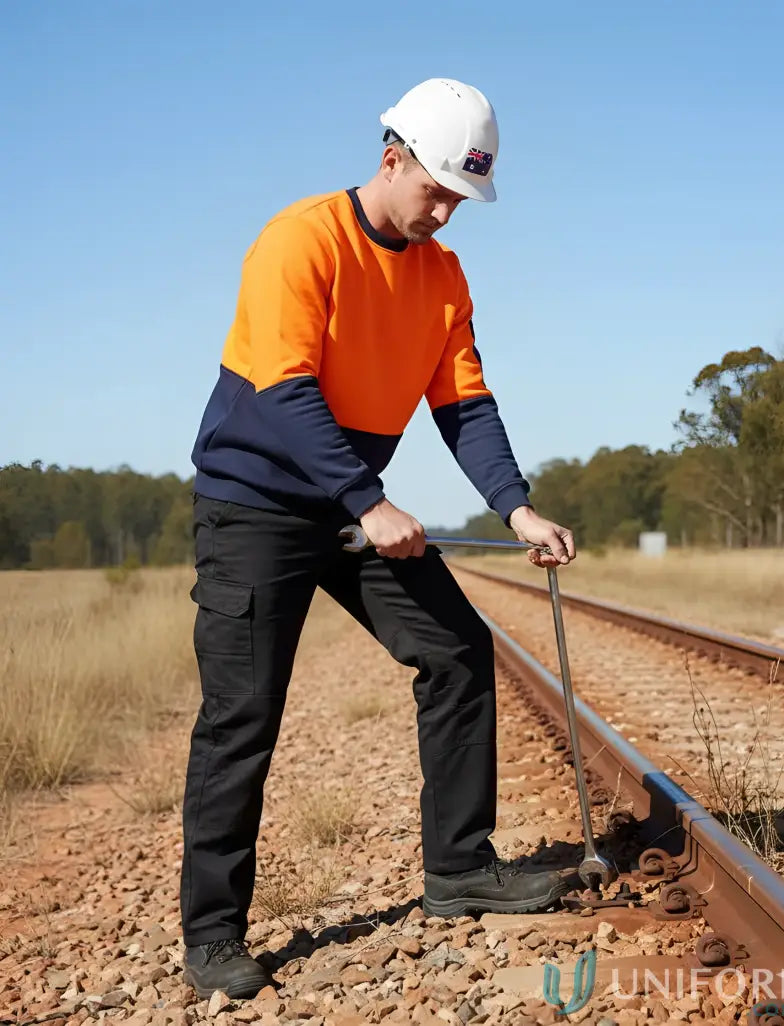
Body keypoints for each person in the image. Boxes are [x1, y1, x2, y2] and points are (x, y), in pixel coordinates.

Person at [181, 77, 577, 999]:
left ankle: (460, 869)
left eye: (459, 199)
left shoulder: (442, 274)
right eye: (435, 189)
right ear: (390, 157)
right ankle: (211, 936)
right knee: (242, 719)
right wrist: (367, 500)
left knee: (457, 651)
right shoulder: (300, 239)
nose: (444, 212)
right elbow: (284, 391)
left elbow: (464, 403)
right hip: (253, 505)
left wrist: (515, 506)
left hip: (350, 507)